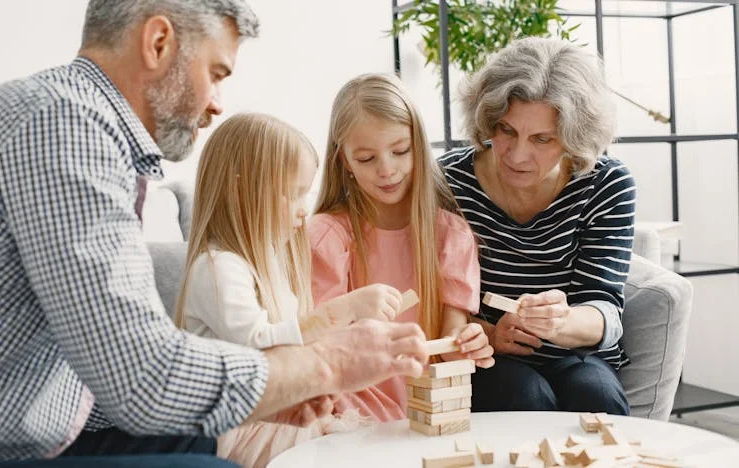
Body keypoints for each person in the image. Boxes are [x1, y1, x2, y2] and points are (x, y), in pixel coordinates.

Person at [0, 2, 428, 466]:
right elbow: (140, 377)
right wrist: (324, 365)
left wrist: (263, 393)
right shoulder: (66, 129)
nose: (217, 103)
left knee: (222, 443)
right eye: (217, 73)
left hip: (49, 430)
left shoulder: (71, 120)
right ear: (158, 42)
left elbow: (103, 370)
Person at [175, 112, 387, 467]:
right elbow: (261, 348)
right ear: (244, 193)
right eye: (294, 195)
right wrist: (341, 312)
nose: (305, 212)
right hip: (242, 428)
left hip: (275, 416)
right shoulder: (217, 268)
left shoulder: (266, 262)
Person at [440, 37, 636, 415]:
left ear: (573, 139)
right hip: (491, 356)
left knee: (595, 394)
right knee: (523, 393)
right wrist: (492, 334)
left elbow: (606, 316)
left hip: (577, 353)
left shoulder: (605, 184)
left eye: (542, 139)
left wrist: (560, 321)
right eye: (506, 131)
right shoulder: (449, 181)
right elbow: (440, 305)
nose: (516, 155)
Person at [308, 73, 496, 422]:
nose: (386, 170)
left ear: (419, 147)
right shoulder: (326, 236)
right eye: (366, 158)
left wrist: (468, 344)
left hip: (426, 412)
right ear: (344, 161)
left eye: (400, 151)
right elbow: (320, 345)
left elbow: (450, 340)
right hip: (347, 416)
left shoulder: (450, 235)